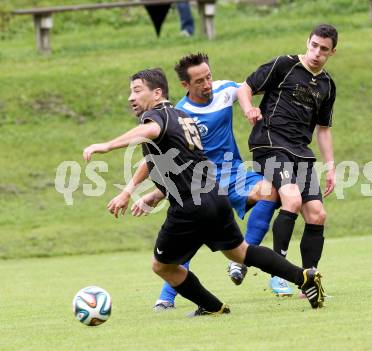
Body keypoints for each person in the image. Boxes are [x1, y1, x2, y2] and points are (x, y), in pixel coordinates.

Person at [82, 68, 326, 316]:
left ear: (157, 93)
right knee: (240, 252)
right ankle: (304, 277)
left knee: (162, 265)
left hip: (191, 205)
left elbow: (148, 132)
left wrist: (107, 145)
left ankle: (211, 307)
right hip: (214, 197)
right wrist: (138, 192)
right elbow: (164, 161)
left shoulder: (157, 117)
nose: (131, 98)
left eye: (137, 91)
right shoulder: (181, 116)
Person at [237, 24, 338, 297]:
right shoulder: (284, 65)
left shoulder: (327, 85)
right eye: (314, 45)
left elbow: (324, 130)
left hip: (300, 152)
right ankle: (278, 275)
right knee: (291, 199)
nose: (317, 52)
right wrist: (249, 109)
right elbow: (245, 88)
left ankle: (310, 282)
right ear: (308, 42)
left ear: (332, 52)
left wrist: (330, 167)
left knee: (318, 214)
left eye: (324, 49)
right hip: (269, 143)